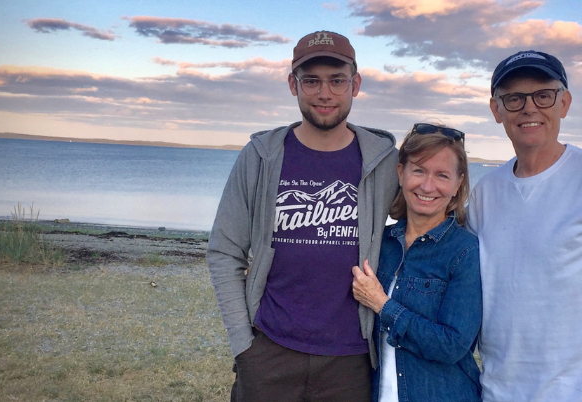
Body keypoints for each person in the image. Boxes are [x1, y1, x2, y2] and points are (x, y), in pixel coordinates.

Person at [207, 30, 399, 402]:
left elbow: (426, 218)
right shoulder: (261, 156)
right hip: (269, 352)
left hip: (352, 358)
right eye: (311, 80)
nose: (324, 93)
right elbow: (223, 250)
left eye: (336, 80)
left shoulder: (383, 162)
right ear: (293, 84)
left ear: (355, 84)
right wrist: (243, 345)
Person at [467, 50, 582, 401]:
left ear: (564, 102)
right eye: (514, 98)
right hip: (496, 389)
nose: (529, 108)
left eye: (543, 95)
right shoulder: (485, 191)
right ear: (496, 110)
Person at [352, 123, 482, 402]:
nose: (427, 185)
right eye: (419, 170)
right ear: (401, 172)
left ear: (458, 183)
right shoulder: (379, 245)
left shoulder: (465, 252)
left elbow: (452, 345)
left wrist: (382, 305)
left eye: (442, 175)